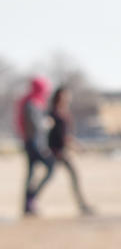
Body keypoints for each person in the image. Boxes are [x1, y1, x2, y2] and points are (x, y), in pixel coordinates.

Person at [46, 85, 94, 215]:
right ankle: (30, 199)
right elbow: (54, 135)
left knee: (56, 176)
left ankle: (82, 204)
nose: (67, 98)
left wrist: (76, 146)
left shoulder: (64, 113)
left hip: (62, 151)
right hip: (56, 151)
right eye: (64, 95)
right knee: (49, 176)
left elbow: (67, 135)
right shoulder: (53, 114)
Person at [15, 75, 54, 216]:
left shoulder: (32, 101)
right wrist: (47, 123)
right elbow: (36, 126)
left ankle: (28, 204)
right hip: (34, 144)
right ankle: (31, 200)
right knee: (49, 167)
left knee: (31, 174)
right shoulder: (32, 103)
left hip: (31, 143)